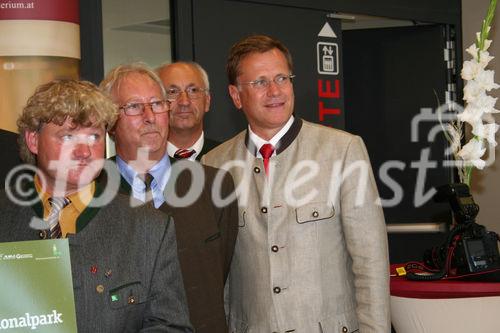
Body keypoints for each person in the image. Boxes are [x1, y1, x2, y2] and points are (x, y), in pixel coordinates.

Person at [202, 35, 390, 332]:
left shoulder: (341, 150)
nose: (275, 91)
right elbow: (215, 276)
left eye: (282, 78)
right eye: (260, 82)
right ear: (236, 96)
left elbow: (371, 262)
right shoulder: (213, 165)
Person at [0, 79, 193, 332]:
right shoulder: (5, 217)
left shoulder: (148, 227)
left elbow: (171, 326)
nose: (84, 152)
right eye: (67, 136)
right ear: (33, 141)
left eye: (94, 136)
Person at [100, 63, 238, 333]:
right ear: (109, 123)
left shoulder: (215, 186)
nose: (150, 116)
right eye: (134, 107)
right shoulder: (90, 192)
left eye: (157, 104)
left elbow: (222, 276)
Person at [157, 61, 219, 161]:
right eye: (172, 92)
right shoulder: (144, 163)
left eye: (193, 90)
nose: (184, 102)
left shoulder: (227, 158)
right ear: (157, 104)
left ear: (207, 101)